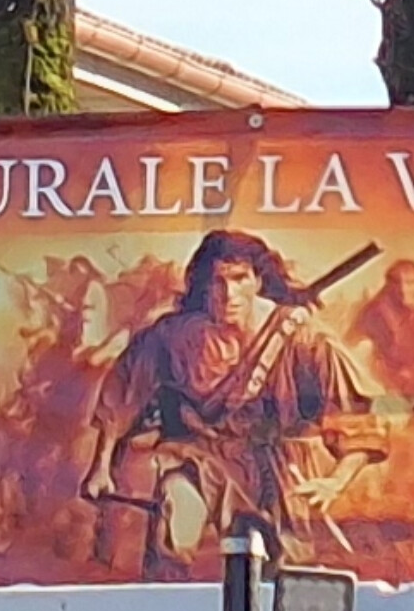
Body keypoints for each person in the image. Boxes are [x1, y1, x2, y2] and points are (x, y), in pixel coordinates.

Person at [80, 227, 383, 573]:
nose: (229, 294)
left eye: (240, 279)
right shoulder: (174, 337)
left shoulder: (304, 339)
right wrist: (101, 467)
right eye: (218, 282)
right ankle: (170, 597)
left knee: (287, 571)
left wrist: (335, 481)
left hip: (275, 470)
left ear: (257, 280)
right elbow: (123, 393)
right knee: (175, 511)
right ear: (203, 285)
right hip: (199, 456)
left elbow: (355, 420)